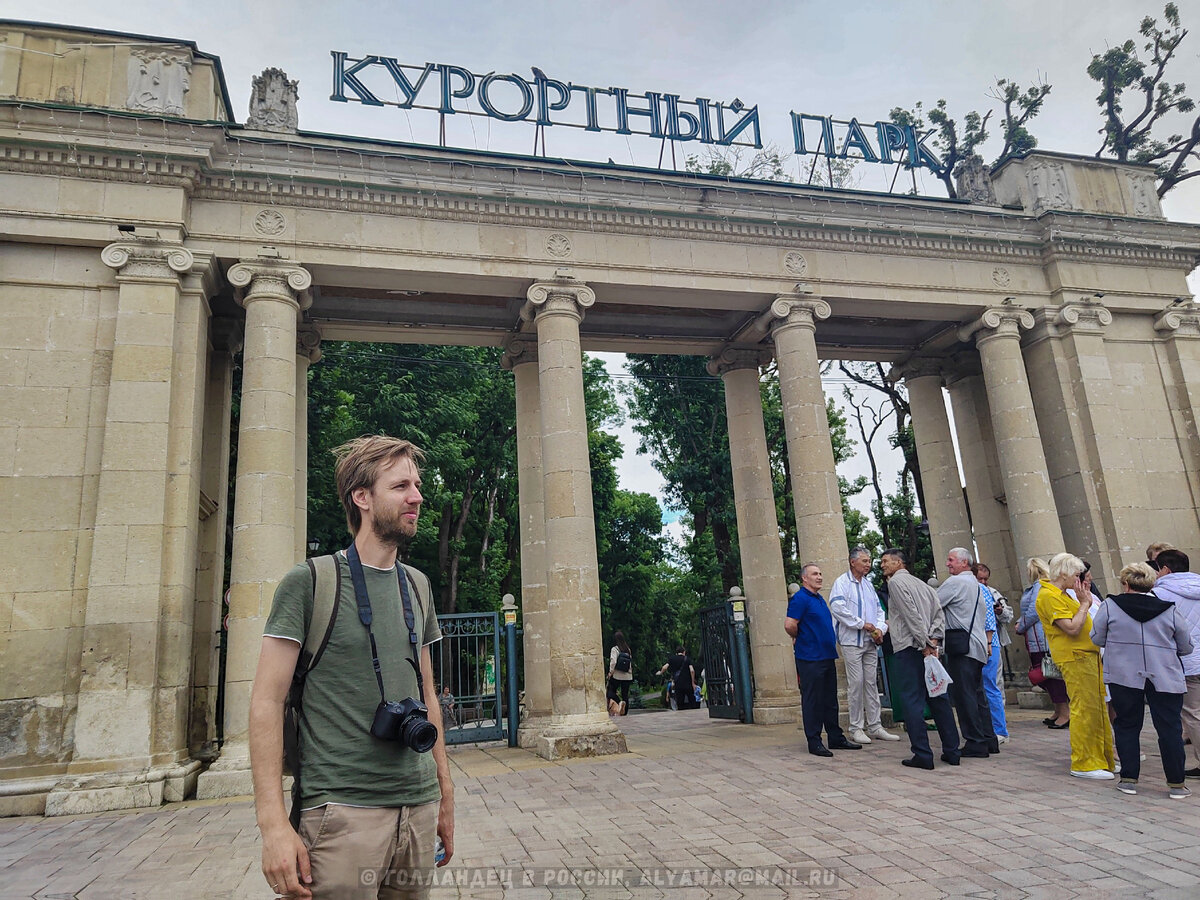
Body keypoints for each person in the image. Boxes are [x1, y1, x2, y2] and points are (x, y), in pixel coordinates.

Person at [249, 436, 454, 899]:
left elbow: (427, 694)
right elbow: (265, 701)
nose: (417, 497)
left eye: (417, 485)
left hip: (417, 809)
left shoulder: (418, 586)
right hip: (340, 815)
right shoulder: (310, 582)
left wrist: (444, 795)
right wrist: (274, 826)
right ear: (362, 498)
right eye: (401, 485)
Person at [1091, 562, 1193, 799]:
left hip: (1124, 674)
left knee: (1127, 724)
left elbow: (1097, 637)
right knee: (1169, 728)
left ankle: (1128, 779)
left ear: (1125, 584)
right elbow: (1186, 645)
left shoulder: (1110, 606)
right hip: (1165, 673)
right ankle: (1177, 784)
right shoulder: (1169, 608)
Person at [879, 548, 961, 770]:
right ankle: (952, 751)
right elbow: (938, 615)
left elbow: (910, 615)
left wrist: (924, 643)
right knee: (939, 698)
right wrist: (933, 640)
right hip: (929, 648)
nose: (882, 565)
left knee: (912, 701)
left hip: (910, 647)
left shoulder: (896, 583)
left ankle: (922, 754)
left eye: (886, 561)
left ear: (899, 563)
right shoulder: (924, 585)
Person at [1036, 552, 1115, 780]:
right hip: (1075, 656)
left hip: (1087, 655)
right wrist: (1084, 604)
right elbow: (1071, 627)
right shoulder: (1049, 596)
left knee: (1097, 709)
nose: (1079, 579)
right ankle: (1084, 762)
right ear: (1064, 572)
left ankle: (1102, 758)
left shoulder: (1061, 594)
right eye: (1077, 574)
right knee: (1084, 710)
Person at [785, 564, 862, 757]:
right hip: (810, 657)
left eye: (820, 573)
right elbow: (789, 624)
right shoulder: (800, 598)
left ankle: (835, 737)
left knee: (830, 700)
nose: (819, 577)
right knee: (813, 700)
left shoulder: (819, 599)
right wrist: (801, 636)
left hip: (826, 655)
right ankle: (814, 741)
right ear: (804, 578)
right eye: (814, 574)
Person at [829, 547, 900, 744]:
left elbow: (879, 611)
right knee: (856, 683)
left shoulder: (868, 585)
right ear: (853, 562)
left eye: (869, 561)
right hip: (851, 641)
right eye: (864, 561)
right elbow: (837, 608)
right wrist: (862, 624)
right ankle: (856, 727)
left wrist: (879, 630)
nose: (868, 564)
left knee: (871, 683)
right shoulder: (841, 583)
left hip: (870, 642)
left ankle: (875, 725)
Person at [937, 548, 997, 758]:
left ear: (964, 563)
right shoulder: (978, 585)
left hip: (963, 646)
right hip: (979, 645)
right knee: (979, 694)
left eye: (951, 560)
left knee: (965, 696)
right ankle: (989, 739)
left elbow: (934, 605)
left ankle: (975, 741)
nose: (948, 564)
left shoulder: (955, 583)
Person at [1149, 549, 1200, 779]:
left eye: (1157, 568)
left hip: (1186, 660)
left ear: (1166, 569)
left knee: (1193, 713)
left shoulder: (1160, 594)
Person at [1015, 558, 1070, 728]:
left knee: (1051, 676)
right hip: (1036, 637)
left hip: (1041, 639)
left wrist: (1021, 625)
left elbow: (1034, 611)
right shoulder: (1040, 586)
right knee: (1047, 675)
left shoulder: (1040, 586)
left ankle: (1065, 713)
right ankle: (1058, 710)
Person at [972, 563, 1010, 745]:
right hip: (986, 643)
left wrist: (988, 642)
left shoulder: (984, 590)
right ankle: (994, 727)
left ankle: (998, 729)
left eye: (986, 578)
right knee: (988, 686)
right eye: (980, 578)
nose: (983, 581)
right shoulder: (976, 588)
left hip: (988, 643)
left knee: (991, 685)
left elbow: (991, 620)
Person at [607, 631, 633, 716]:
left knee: (610, 692)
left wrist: (610, 672)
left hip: (617, 675)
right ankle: (624, 712)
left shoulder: (615, 649)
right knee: (625, 694)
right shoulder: (627, 649)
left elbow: (613, 661)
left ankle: (619, 702)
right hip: (628, 676)